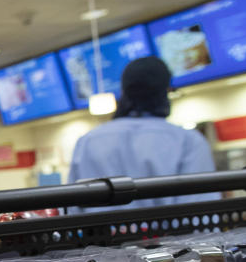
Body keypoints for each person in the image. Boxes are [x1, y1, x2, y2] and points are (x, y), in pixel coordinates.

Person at [68, 56, 220, 213]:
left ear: (123, 92)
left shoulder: (88, 141)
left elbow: (72, 208)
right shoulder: (188, 142)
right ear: (166, 91)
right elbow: (200, 211)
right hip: (169, 237)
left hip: (99, 237)